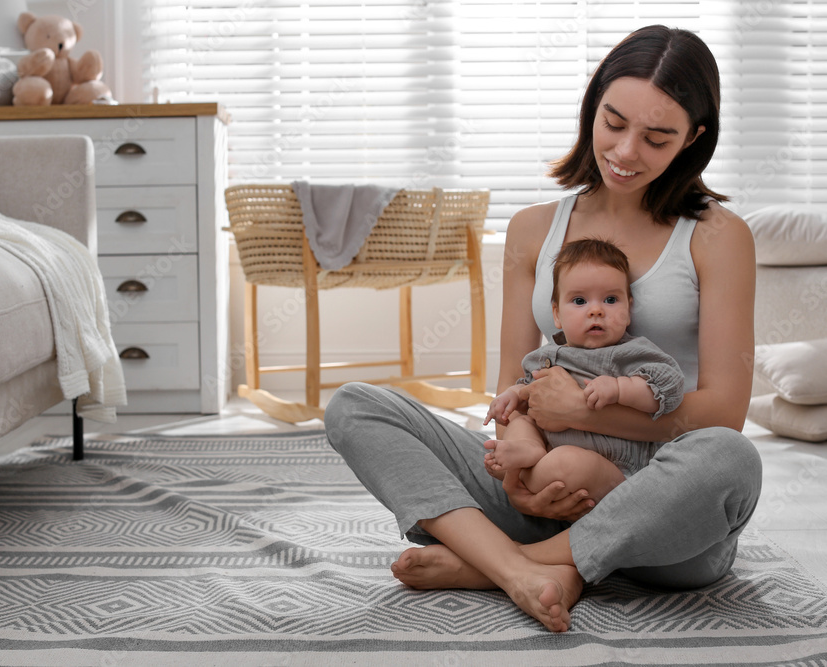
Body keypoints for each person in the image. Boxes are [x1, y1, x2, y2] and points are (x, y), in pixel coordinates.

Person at [324, 24, 761, 633]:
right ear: (592, 106)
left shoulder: (719, 236)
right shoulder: (533, 229)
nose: (627, 152)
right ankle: (531, 562)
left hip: (661, 510)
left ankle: (504, 565)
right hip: (542, 488)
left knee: (731, 458)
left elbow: (724, 414)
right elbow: (509, 385)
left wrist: (579, 414)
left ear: (694, 138)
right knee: (355, 405)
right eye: (613, 123)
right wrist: (519, 468)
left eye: (657, 138)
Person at [483, 237, 685, 506]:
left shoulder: (628, 352)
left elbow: (669, 386)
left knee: (567, 463)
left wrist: (620, 388)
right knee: (521, 423)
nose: (596, 310)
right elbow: (530, 390)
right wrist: (513, 395)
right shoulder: (544, 358)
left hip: (612, 468)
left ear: (628, 311)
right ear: (556, 314)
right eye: (579, 301)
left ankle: (526, 476)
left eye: (611, 299)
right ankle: (529, 451)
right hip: (549, 453)